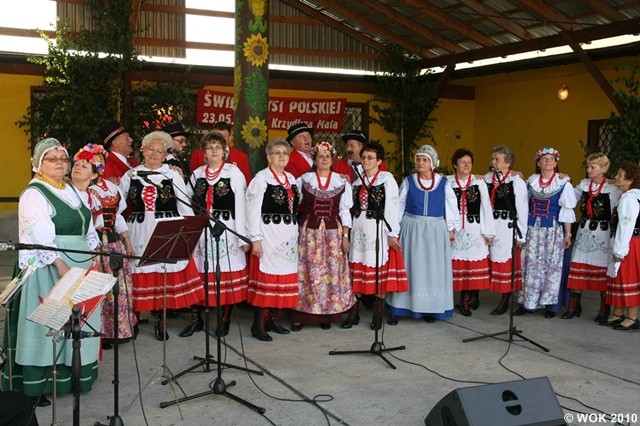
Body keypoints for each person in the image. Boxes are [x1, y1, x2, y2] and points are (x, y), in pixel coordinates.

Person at [1, 138, 100, 405]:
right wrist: (59, 264)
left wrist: (94, 255)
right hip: (51, 264)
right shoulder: (34, 193)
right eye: (52, 159)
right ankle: (37, 385)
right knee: (49, 323)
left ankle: (72, 376)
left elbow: (87, 226)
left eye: (63, 159)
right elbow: (38, 235)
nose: (59, 163)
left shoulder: (70, 189)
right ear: (38, 163)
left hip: (79, 261)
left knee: (76, 322)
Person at [119, 131, 204, 340]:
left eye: (159, 151)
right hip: (139, 230)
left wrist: (188, 234)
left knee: (163, 275)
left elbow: (184, 205)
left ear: (165, 155)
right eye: (151, 149)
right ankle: (133, 320)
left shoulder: (171, 175)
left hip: (166, 228)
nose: (154, 154)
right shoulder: (131, 175)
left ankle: (161, 320)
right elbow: (117, 204)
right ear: (143, 150)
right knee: (139, 275)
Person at [181, 132, 250, 337]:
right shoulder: (197, 174)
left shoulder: (233, 173)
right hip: (202, 230)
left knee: (224, 272)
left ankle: (223, 318)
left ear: (224, 152)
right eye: (210, 148)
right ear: (204, 152)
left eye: (218, 147)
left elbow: (240, 204)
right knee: (200, 271)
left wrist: (241, 235)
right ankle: (196, 319)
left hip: (226, 228)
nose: (214, 151)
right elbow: (184, 198)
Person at [71, 143, 137, 349]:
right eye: (77, 164)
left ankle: (118, 331)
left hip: (113, 243)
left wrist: (127, 241)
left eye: (85, 165)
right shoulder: (84, 192)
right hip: (96, 244)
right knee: (97, 288)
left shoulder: (113, 188)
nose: (78, 167)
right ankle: (99, 333)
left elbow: (118, 217)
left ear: (96, 171)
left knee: (117, 289)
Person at [386, 145, 458, 324]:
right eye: (418, 159)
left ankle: (430, 308)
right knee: (409, 267)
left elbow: (451, 206)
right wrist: (394, 231)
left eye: (425, 160)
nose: (420, 163)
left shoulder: (443, 183)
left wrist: (450, 230)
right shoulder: (409, 181)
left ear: (432, 163)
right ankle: (399, 307)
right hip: (412, 228)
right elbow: (398, 206)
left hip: (435, 230)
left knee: (432, 268)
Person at [290, 141, 356, 331]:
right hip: (309, 234)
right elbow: (292, 204)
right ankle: (301, 315)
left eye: (328, 156)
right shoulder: (304, 179)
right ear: (315, 159)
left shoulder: (341, 182)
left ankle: (326, 314)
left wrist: (346, 236)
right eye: (321, 156)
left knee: (330, 272)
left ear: (332, 159)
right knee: (307, 272)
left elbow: (344, 211)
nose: (324, 159)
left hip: (333, 235)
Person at [348, 142, 408, 330]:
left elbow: (392, 207)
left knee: (378, 271)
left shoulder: (386, 179)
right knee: (357, 269)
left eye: (370, 157)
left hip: (378, 229)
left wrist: (392, 233)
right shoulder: (357, 181)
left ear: (379, 161)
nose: (366, 160)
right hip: (359, 229)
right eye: (364, 157)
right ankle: (354, 313)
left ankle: (377, 314)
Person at [245, 139, 301, 341]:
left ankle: (273, 320)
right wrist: (255, 239)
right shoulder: (261, 179)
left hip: (287, 236)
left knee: (282, 279)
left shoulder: (291, 178)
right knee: (267, 279)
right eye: (277, 153)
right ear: (269, 157)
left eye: (285, 153)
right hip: (268, 235)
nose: (281, 156)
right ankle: (258, 325)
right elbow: (251, 210)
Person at [517, 147, 576, 318]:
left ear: (556, 163)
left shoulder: (563, 183)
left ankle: (550, 305)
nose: (548, 161)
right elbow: (522, 204)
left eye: (551, 159)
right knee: (529, 265)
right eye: (544, 159)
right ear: (538, 163)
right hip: (532, 230)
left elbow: (566, 211)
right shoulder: (531, 181)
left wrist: (568, 234)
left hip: (552, 231)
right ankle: (527, 302)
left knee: (551, 267)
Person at [563, 153, 621, 320]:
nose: (588, 170)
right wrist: (564, 180)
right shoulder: (584, 185)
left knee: (602, 270)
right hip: (584, 232)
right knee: (578, 267)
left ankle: (604, 307)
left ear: (604, 169)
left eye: (592, 167)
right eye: (588, 167)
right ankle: (575, 305)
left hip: (603, 234)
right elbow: (568, 199)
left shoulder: (612, 189)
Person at [447, 148, 495, 316]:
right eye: (462, 162)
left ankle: (466, 301)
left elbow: (486, 207)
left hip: (475, 229)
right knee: (457, 265)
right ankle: (458, 300)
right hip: (454, 230)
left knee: (471, 265)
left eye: (469, 162)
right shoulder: (447, 183)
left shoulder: (479, 183)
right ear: (455, 165)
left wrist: (488, 232)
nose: (467, 165)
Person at [484, 145, 528, 315]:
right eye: (492, 158)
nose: (493, 162)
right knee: (484, 258)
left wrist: (521, 235)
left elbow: (522, 209)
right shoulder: (486, 179)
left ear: (508, 163)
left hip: (506, 226)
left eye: (497, 159)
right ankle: (473, 295)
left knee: (504, 263)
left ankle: (504, 298)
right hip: (488, 225)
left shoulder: (515, 182)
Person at [601, 161, 640, 331]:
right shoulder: (626, 195)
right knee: (618, 276)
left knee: (627, 277)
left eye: (620, 175)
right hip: (625, 241)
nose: (616, 177)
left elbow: (626, 226)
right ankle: (618, 312)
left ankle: (632, 317)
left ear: (630, 180)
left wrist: (620, 250)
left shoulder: (629, 199)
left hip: (629, 242)